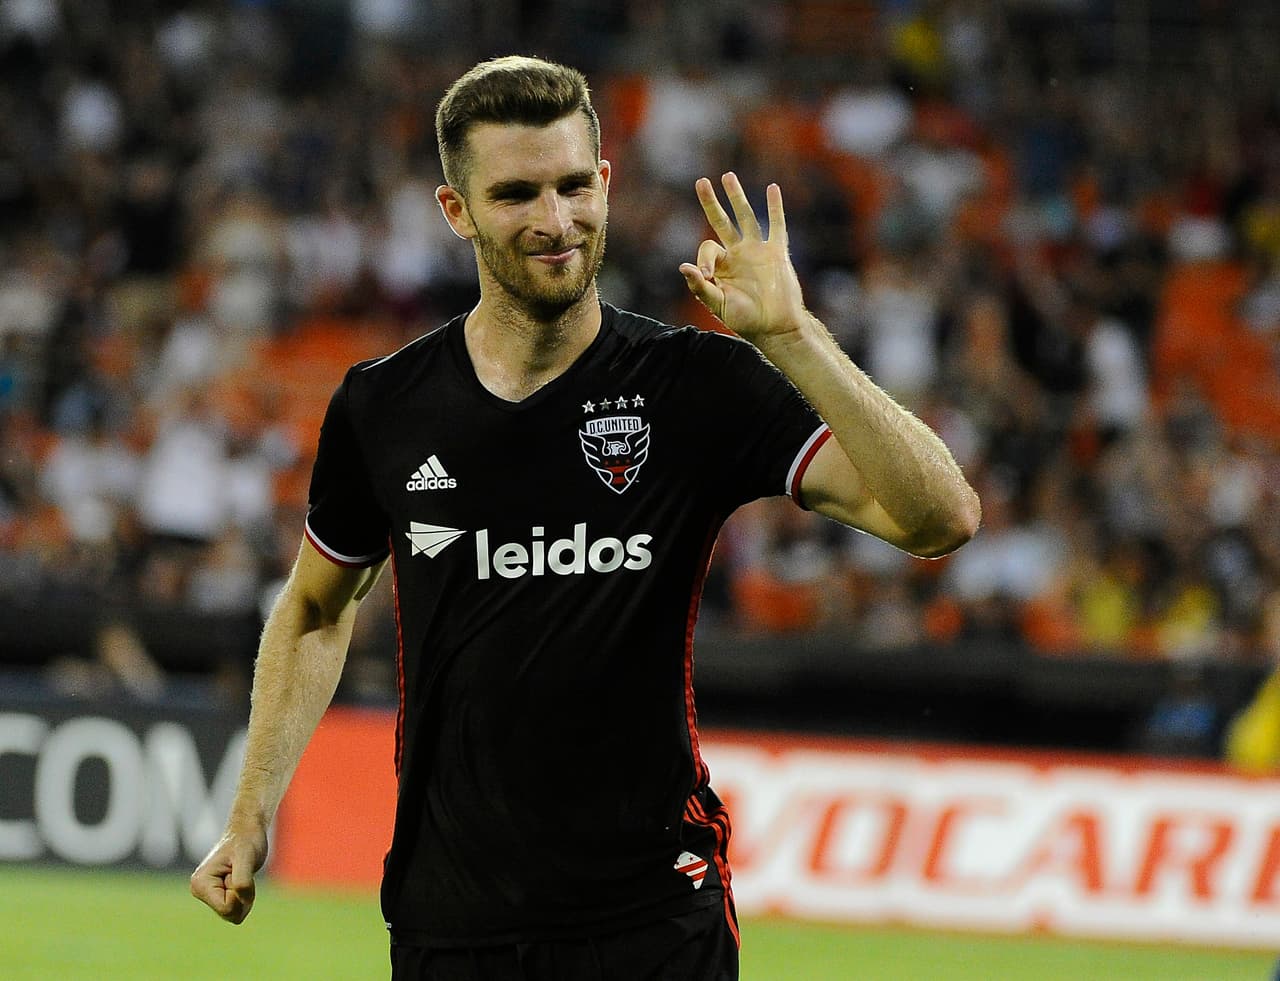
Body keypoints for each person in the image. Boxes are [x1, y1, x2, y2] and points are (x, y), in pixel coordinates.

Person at [190, 55, 981, 980]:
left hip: (652, 918)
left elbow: (941, 518)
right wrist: (250, 814)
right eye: (517, 193)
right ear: (458, 211)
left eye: (573, 186)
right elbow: (317, 609)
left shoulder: (695, 385)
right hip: (452, 922)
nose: (555, 220)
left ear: (605, 184)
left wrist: (794, 338)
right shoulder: (385, 405)